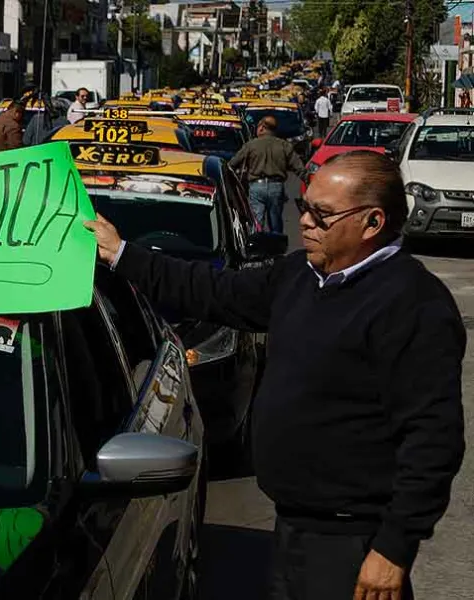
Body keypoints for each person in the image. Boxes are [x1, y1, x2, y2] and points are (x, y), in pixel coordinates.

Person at [84, 151, 464, 600]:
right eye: (304, 207)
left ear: (373, 222)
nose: (303, 222)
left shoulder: (413, 305)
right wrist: (121, 254)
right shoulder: (300, 276)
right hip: (294, 528)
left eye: (321, 215)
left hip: (353, 542)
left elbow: (432, 441)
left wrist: (394, 549)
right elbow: (210, 291)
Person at [228, 115, 307, 234]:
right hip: (276, 187)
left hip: (256, 186)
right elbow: (299, 168)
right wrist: (311, 182)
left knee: (257, 221)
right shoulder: (284, 145)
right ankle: (276, 248)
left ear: (262, 128)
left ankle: (258, 247)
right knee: (275, 222)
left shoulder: (251, 145)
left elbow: (232, 164)